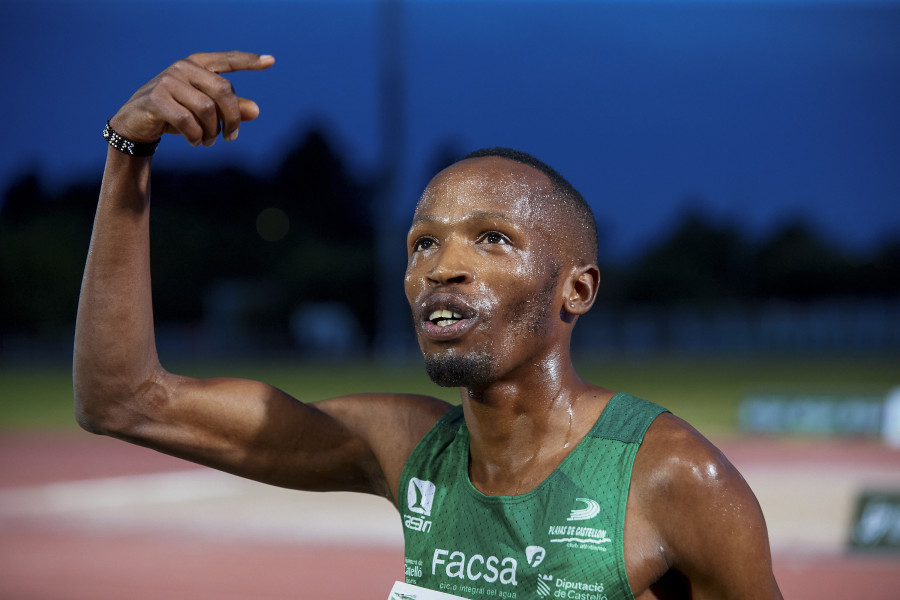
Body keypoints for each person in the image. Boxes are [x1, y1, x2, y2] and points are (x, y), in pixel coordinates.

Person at [74, 51, 783, 599]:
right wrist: (126, 155)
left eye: (492, 238)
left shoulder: (675, 478)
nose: (444, 266)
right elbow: (124, 399)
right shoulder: (405, 448)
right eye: (423, 242)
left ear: (578, 289)